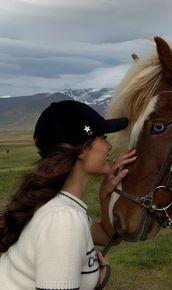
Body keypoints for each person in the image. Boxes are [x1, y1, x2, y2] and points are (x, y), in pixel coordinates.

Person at [0, 100, 136, 290]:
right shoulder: (63, 220)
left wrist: (104, 194)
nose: (109, 147)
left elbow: (108, 236)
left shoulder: (60, 205)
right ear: (82, 150)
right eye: (103, 137)